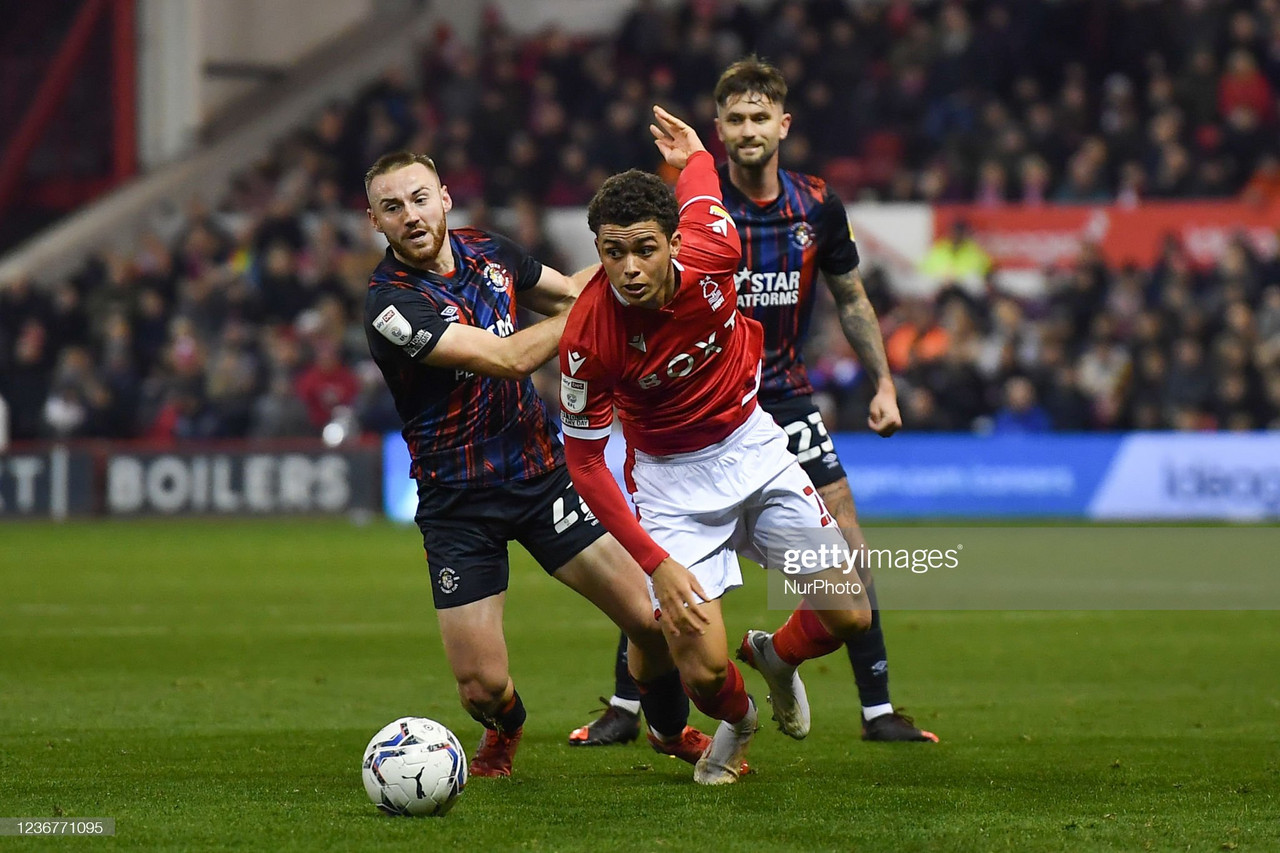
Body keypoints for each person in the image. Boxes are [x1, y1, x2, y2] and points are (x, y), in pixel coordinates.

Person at [570, 58, 937, 749]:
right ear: (721, 129)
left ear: (782, 125)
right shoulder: (686, 229)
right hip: (673, 438)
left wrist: (884, 383)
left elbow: (851, 297)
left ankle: (874, 705)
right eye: (733, 120)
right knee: (666, 605)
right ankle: (636, 701)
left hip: (770, 403)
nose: (748, 129)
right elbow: (636, 251)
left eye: (758, 117)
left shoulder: (810, 206)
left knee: (848, 558)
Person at [363, 150, 718, 780]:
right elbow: (506, 358)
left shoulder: (490, 253)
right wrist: (607, 300)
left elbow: (570, 292)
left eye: (419, 199)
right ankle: (506, 724)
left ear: (444, 197)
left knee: (651, 622)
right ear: (376, 222)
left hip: (541, 477)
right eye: (393, 207)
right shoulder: (391, 305)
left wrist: (637, 261)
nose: (410, 216)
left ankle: (668, 731)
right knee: (480, 686)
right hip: (458, 503)